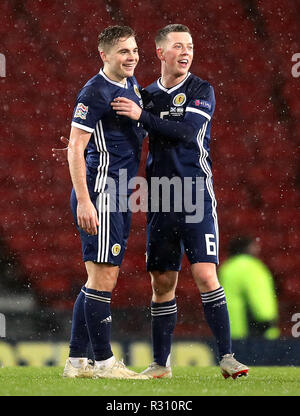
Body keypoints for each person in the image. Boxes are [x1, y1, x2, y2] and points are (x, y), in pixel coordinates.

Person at [111, 24, 249, 379]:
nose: (186, 52)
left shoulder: (201, 89)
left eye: (189, 46)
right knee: (162, 283)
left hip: (195, 195)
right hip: (159, 197)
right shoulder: (145, 95)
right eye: (177, 46)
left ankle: (228, 357)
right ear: (160, 53)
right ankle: (160, 364)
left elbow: (186, 133)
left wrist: (143, 117)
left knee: (205, 274)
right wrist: (81, 144)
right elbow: (121, 137)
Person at [61, 25, 148, 380]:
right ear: (105, 55)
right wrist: (85, 200)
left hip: (120, 190)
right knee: (103, 276)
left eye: (135, 50)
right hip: (103, 191)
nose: (132, 57)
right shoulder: (94, 92)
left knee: (97, 277)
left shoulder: (131, 84)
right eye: (124, 52)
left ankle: (77, 361)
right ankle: (104, 362)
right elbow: (75, 147)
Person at [218, 236, 280, 339]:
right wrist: (266, 322)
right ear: (247, 248)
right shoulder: (251, 267)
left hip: (231, 330)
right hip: (253, 332)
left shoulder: (226, 268)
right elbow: (259, 297)